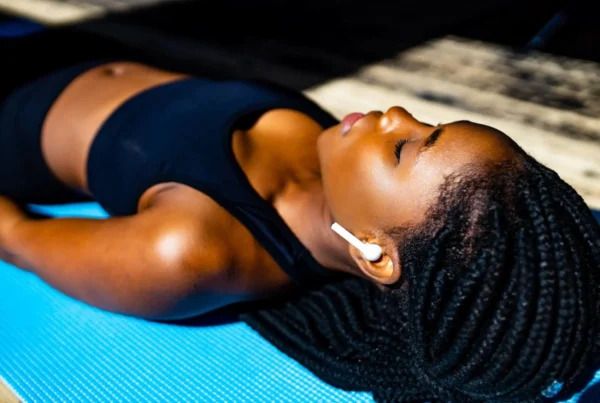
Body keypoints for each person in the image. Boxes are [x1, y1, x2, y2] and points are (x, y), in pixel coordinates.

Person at [0, 59, 598, 403]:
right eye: (430, 122)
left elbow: (19, 238)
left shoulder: (190, 254)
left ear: (379, 256)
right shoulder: (340, 160)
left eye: (402, 148)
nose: (395, 113)